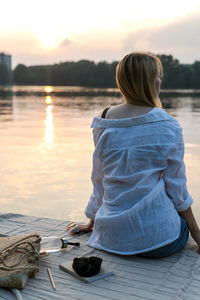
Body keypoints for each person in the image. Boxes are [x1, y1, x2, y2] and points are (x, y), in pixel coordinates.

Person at [67, 52, 200, 258]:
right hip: (159, 242)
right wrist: (197, 234)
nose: (160, 81)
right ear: (148, 81)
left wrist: (92, 221)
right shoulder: (169, 125)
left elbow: (100, 178)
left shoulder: (103, 120)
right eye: (158, 76)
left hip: (110, 238)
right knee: (177, 219)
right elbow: (177, 188)